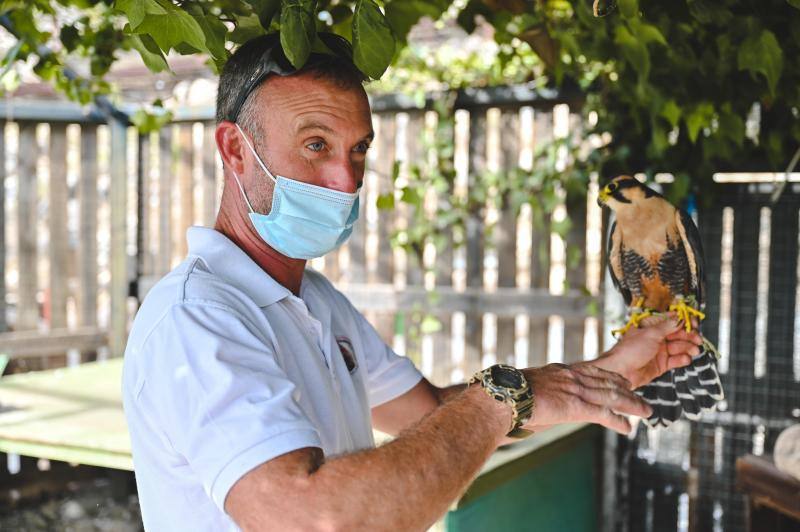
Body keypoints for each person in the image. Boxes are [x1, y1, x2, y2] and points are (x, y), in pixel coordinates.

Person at [121, 32, 702, 531]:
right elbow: (313, 519)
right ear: (234, 151)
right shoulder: (198, 316)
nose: (344, 180)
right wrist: (499, 397)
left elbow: (429, 414)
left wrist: (610, 369)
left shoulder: (315, 300)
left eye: (358, 150)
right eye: (315, 144)